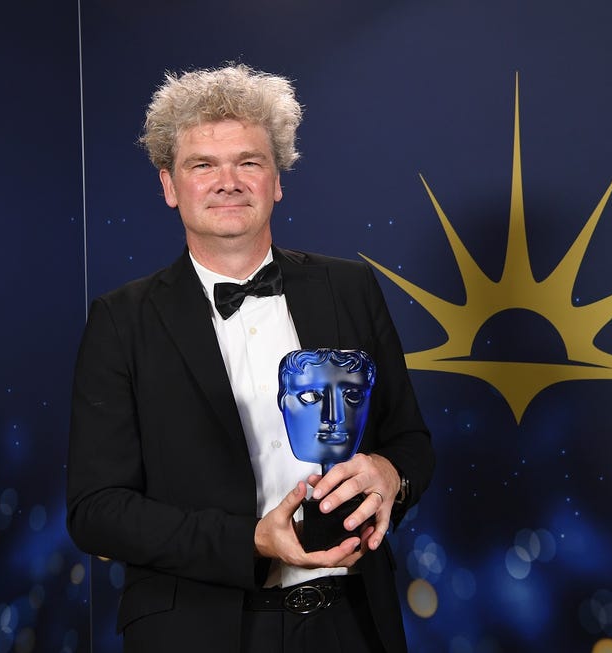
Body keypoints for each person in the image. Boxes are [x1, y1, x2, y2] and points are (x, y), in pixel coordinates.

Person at [67, 64, 435, 653]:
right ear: (169, 186)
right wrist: (253, 541)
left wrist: (393, 475)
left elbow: (410, 440)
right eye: (202, 165)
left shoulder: (351, 289)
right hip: (198, 630)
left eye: (249, 162)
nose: (228, 181)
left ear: (277, 180)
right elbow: (97, 511)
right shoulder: (121, 321)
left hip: (353, 623)